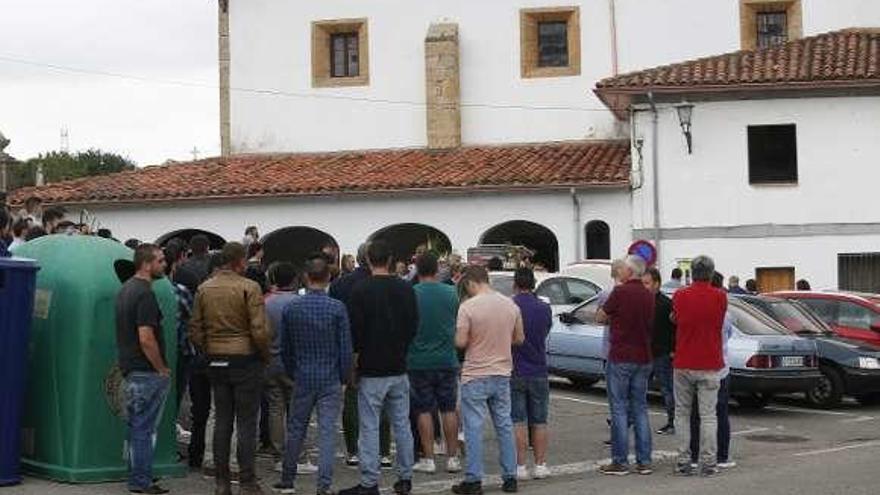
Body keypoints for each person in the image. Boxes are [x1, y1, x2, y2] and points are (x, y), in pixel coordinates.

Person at [189, 242, 271, 495]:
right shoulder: (250, 287)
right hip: (245, 359)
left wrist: (209, 348)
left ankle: (221, 482)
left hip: (215, 358)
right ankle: (246, 481)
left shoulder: (204, 288)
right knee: (246, 422)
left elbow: (195, 328)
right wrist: (264, 354)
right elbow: (259, 329)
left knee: (223, 418)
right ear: (240, 261)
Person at [339, 240, 418, 495]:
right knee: (402, 424)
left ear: (369, 260)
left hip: (372, 368)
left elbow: (355, 332)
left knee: (370, 426)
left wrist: (354, 362)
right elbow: (413, 325)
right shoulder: (406, 289)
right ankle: (405, 477)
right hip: (398, 365)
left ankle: (369, 481)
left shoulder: (361, 290)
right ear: (392, 259)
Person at [274, 253, 352, 495]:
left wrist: (292, 371)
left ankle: (288, 479)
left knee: (297, 426)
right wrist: (343, 376)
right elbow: (345, 348)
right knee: (327, 431)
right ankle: (324, 484)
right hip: (329, 376)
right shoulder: (337, 308)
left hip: (303, 373)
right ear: (328, 277)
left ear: (305, 277)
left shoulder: (292, 308)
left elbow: (285, 347)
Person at [451, 265, 525, 495]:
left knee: (474, 427)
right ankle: (510, 477)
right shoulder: (510, 305)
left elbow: (461, 342)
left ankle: (474, 480)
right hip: (502, 372)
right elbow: (520, 338)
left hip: (475, 373)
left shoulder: (468, 307)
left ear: (471, 282)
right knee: (504, 424)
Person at [329, 243, 393, 468]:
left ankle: (353, 451)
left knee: (352, 399)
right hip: (381, 347)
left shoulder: (339, 284)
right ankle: (384, 452)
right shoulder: (387, 284)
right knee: (382, 400)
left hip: (349, 346)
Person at [115, 244, 171, 494]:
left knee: (136, 425)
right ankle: (141, 481)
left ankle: (138, 475)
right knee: (144, 427)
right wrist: (161, 368)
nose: (165, 265)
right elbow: (146, 337)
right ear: (147, 264)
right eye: (160, 261)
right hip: (145, 369)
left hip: (129, 367)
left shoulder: (126, 289)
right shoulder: (145, 294)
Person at [597, 255, 655, 476]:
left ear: (629, 272)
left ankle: (620, 461)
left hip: (621, 355)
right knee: (640, 408)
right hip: (644, 356)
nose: (619, 272)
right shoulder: (648, 295)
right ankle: (644, 461)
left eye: (622, 269)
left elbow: (601, 317)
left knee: (619, 408)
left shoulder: (619, 292)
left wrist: (614, 317)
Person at [671, 255, 726, 477]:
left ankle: (684, 460)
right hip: (710, 362)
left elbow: (676, 318)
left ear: (691, 273)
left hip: (684, 361)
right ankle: (709, 462)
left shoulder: (680, 295)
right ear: (711, 273)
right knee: (708, 416)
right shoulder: (720, 297)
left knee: (682, 414)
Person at [408, 253, 462, 475]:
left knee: (423, 410)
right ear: (436, 270)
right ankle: (452, 458)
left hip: (418, 360)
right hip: (447, 359)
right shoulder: (452, 293)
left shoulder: (411, 293)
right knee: (448, 409)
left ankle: (428, 458)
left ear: (418, 270)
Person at [510, 268, 552, 481]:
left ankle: (520, 466)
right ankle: (541, 464)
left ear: (515, 284)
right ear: (534, 284)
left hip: (515, 368)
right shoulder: (544, 308)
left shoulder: (510, 306)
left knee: (517, 419)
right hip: (538, 368)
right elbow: (545, 332)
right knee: (539, 420)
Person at [690, 272, 736, 470]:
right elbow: (729, 335)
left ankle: (693, 455)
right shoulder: (726, 313)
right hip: (721, 367)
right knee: (720, 413)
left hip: (698, 365)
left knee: (696, 414)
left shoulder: (699, 308)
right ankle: (722, 456)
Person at [263, 262, 298, 459]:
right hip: (292, 362)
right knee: (296, 407)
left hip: (270, 359)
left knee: (275, 406)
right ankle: (294, 451)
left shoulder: (266, 302)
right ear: (294, 280)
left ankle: (278, 449)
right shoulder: (297, 302)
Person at [643, 267, 676, 435]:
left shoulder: (665, 303)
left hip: (661, 353)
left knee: (667, 389)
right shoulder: (642, 301)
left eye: (647, 283)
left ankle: (673, 422)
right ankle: (627, 421)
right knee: (638, 389)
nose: (644, 286)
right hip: (644, 353)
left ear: (657, 284)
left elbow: (674, 329)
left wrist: (672, 350)